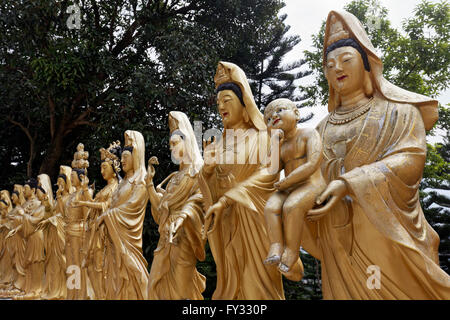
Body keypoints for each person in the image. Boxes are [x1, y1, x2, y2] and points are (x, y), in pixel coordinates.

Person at [304, 10, 450, 299]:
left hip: (385, 233)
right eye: (329, 65)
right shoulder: (320, 129)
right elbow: (310, 177)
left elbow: (411, 159)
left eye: (346, 60)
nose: (337, 69)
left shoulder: (399, 112)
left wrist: (350, 182)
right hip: (338, 236)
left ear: (367, 64)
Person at [199, 61, 284, 300]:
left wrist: (229, 198)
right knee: (230, 287)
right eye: (218, 103)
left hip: (255, 221)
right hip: (227, 226)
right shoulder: (217, 145)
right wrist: (207, 171)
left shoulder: (265, 137)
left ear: (243, 101)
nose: (221, 107)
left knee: (256, 287)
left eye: (227, 100)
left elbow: (269, 173)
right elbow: (208, 190)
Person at [263, 98, 326, 280]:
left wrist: (289, 179)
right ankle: (276, 245)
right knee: (271, 207)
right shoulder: (281, 146)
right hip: (289, 187)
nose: (273, 117)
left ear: (297, 114)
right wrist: (274, 143)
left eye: (280, 110)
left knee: (292, 206)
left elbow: (313, 162)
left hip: (311, 185)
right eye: (268, 119)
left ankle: (291, 252)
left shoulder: (308, 134)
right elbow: (271, 171)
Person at [147, 111, 206, 300]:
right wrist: (149, 184)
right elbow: (159, 212)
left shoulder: (198, 173)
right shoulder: (173, 179)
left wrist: (182, 218)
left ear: (186, 141)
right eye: (170, 144)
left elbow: (200, 201)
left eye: (175, 143)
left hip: (184, 237)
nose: (171, 148)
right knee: (154, 285)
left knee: (180, 292)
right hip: (165, 239)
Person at [97, 130, 149, 299]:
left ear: (137, 156)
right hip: (113, 237)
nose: (123, 159)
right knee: (115, 276)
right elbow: (112, 204)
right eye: (123, 156)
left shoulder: (141, 181)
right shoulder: (123, 183)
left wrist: (107, 216)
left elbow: (132, 206)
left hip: (127, 239)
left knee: (133, 271)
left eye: (127, 156)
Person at [72, 141, 122, 299]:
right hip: (95, 232)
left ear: (114, 170)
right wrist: (86, 193)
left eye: (104, 168)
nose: (101, 171)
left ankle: (103, 296)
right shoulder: (105, 188)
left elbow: (106, 206)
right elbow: (95, 205)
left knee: (101, 269)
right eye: (101, 167)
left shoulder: (116, 188)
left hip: (104, 233)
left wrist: (83, 202)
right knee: (93, 267)